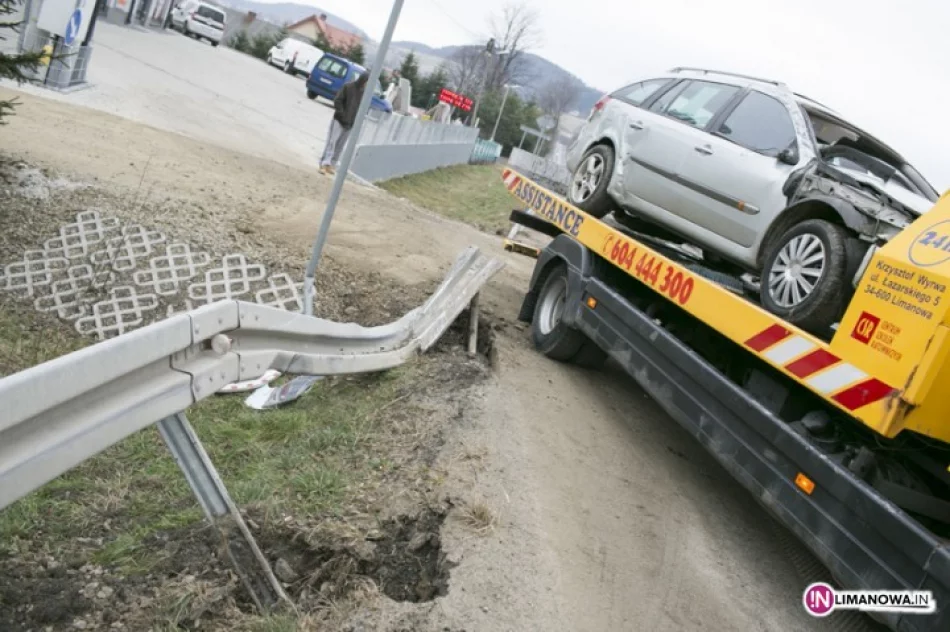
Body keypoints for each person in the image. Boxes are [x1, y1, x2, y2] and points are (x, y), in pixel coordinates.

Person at [319, 73, 369, 176]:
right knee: (332, 143)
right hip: (339, 120)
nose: (367, 84)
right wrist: (342, 114)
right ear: (363, 80)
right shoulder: (348, 87)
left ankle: (331, 165)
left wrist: (355, 121)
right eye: (367, 82)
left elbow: (362, 109)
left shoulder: (364, 93)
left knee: (340, 146)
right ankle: (324, 164)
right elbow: (338, 100)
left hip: (350, 124)